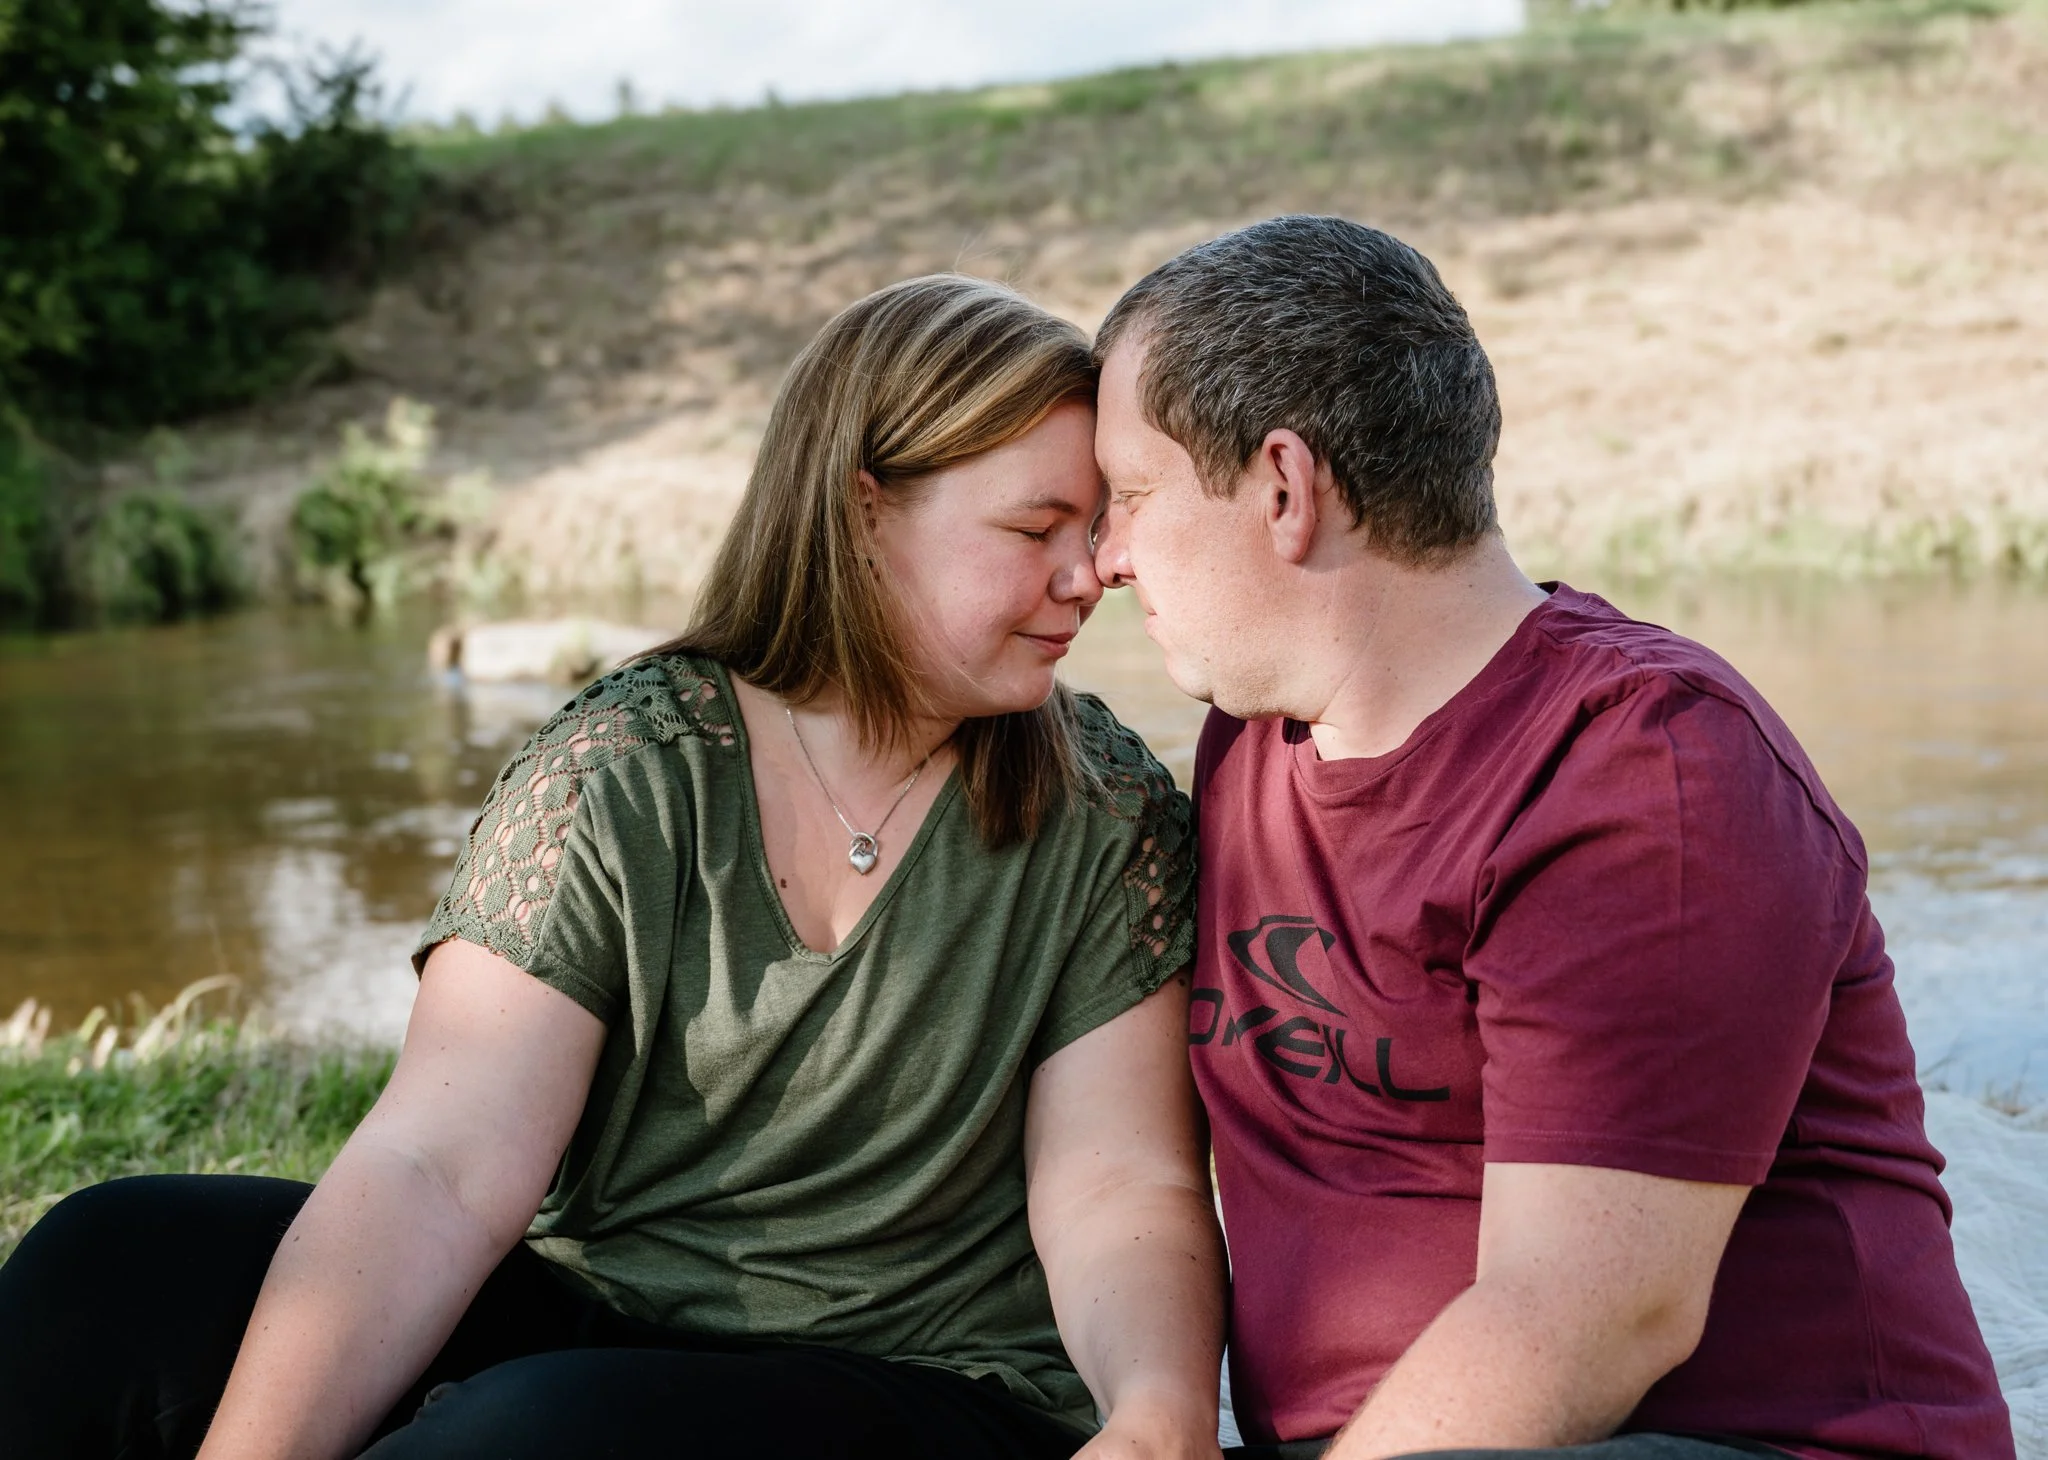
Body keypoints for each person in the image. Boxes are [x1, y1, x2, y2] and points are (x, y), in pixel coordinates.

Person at [0, 275, 1228, 1460]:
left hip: (933, 1383)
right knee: (112, 1262)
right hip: (613, 1322)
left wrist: (1159, 1414)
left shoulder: (1098, 805)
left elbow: (1117, 1182)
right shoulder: (621, 768)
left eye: (1095, 529)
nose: (1088, 577)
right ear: (863, 512)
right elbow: (439, 1165)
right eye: (1033, 529)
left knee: (530, 1432)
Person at [1091, 216, 2015, 1460]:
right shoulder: (1253, 743)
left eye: (1131, 496)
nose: (1104, 559)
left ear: (1281, 487)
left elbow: (1592, 1315)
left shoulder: (1644, 768)